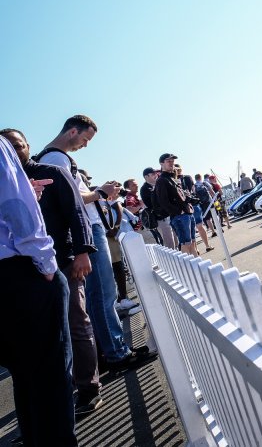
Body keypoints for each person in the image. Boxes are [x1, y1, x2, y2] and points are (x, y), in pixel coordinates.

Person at [36, 115, 154, 375]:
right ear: (72, 131)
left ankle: (111, 350)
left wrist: (100, 192)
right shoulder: (56, 158)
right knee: (102, 293)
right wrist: (100, 192)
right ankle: (117, 353)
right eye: (85, 139)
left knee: (98, 295)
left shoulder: (53, 157)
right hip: (88, 230)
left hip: (87, 229)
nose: (85, 145)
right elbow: (73, 197)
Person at [2, 128, 104, 418]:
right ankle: (54, 401)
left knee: (76, 323)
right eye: (9, 146)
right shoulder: (6, 181)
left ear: (28, 145)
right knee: (40, 341)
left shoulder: (53, 172)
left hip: (63, 262)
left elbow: (76, 212)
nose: (15, 151)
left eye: (18, 145)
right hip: (25, 274)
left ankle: (89, 388)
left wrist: (83, 252)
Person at [0, 135, 78, 446]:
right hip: (20, 272)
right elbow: (16, 208)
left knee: (24, 374)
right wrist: (46, 264)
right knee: (50, 377)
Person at [154, 153, 198, 255]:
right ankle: (188, 265)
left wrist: (190, 201)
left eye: (172, 161)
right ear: (161, 164)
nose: (171, 163)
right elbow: (163, 201)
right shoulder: (161, 180)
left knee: (192, 243)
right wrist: (178, 211)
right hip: (179, 216)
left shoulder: (173, 178)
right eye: (168, 161)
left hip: (187, 213)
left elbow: (180, 196)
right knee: (186, 244)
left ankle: (197, 263)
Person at [140, 167, 176, 249]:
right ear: (146, 177)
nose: (155, 175)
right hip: (160, 218)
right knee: (169, 242)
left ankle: (178, 253)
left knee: (175, 238)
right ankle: (171, 257)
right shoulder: (144, 189)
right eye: (153, 174)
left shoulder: (159, 183)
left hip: (170, 214)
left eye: (156, 173)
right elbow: (152, 204)